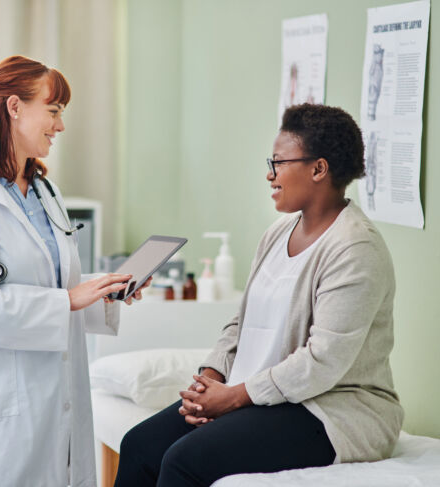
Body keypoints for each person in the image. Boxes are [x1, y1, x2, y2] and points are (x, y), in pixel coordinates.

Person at [114, 104, 404, 487]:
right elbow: (242, 321)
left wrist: (233, 397)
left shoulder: (355, 249)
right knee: (140, 445)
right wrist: (210, 379)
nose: (270, 174)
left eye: (279, 162)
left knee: (185, 460)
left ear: (319, 169)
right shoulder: (278, 233)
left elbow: (322, 361)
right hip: (263, 396)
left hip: (330, 409)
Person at [0, 55, 146, 487]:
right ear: (14, 107)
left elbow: (58, 285)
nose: (60, 126)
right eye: (54, 110)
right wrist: (69, 299)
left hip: (55, 400)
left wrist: (105, 291)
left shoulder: (45, 192)